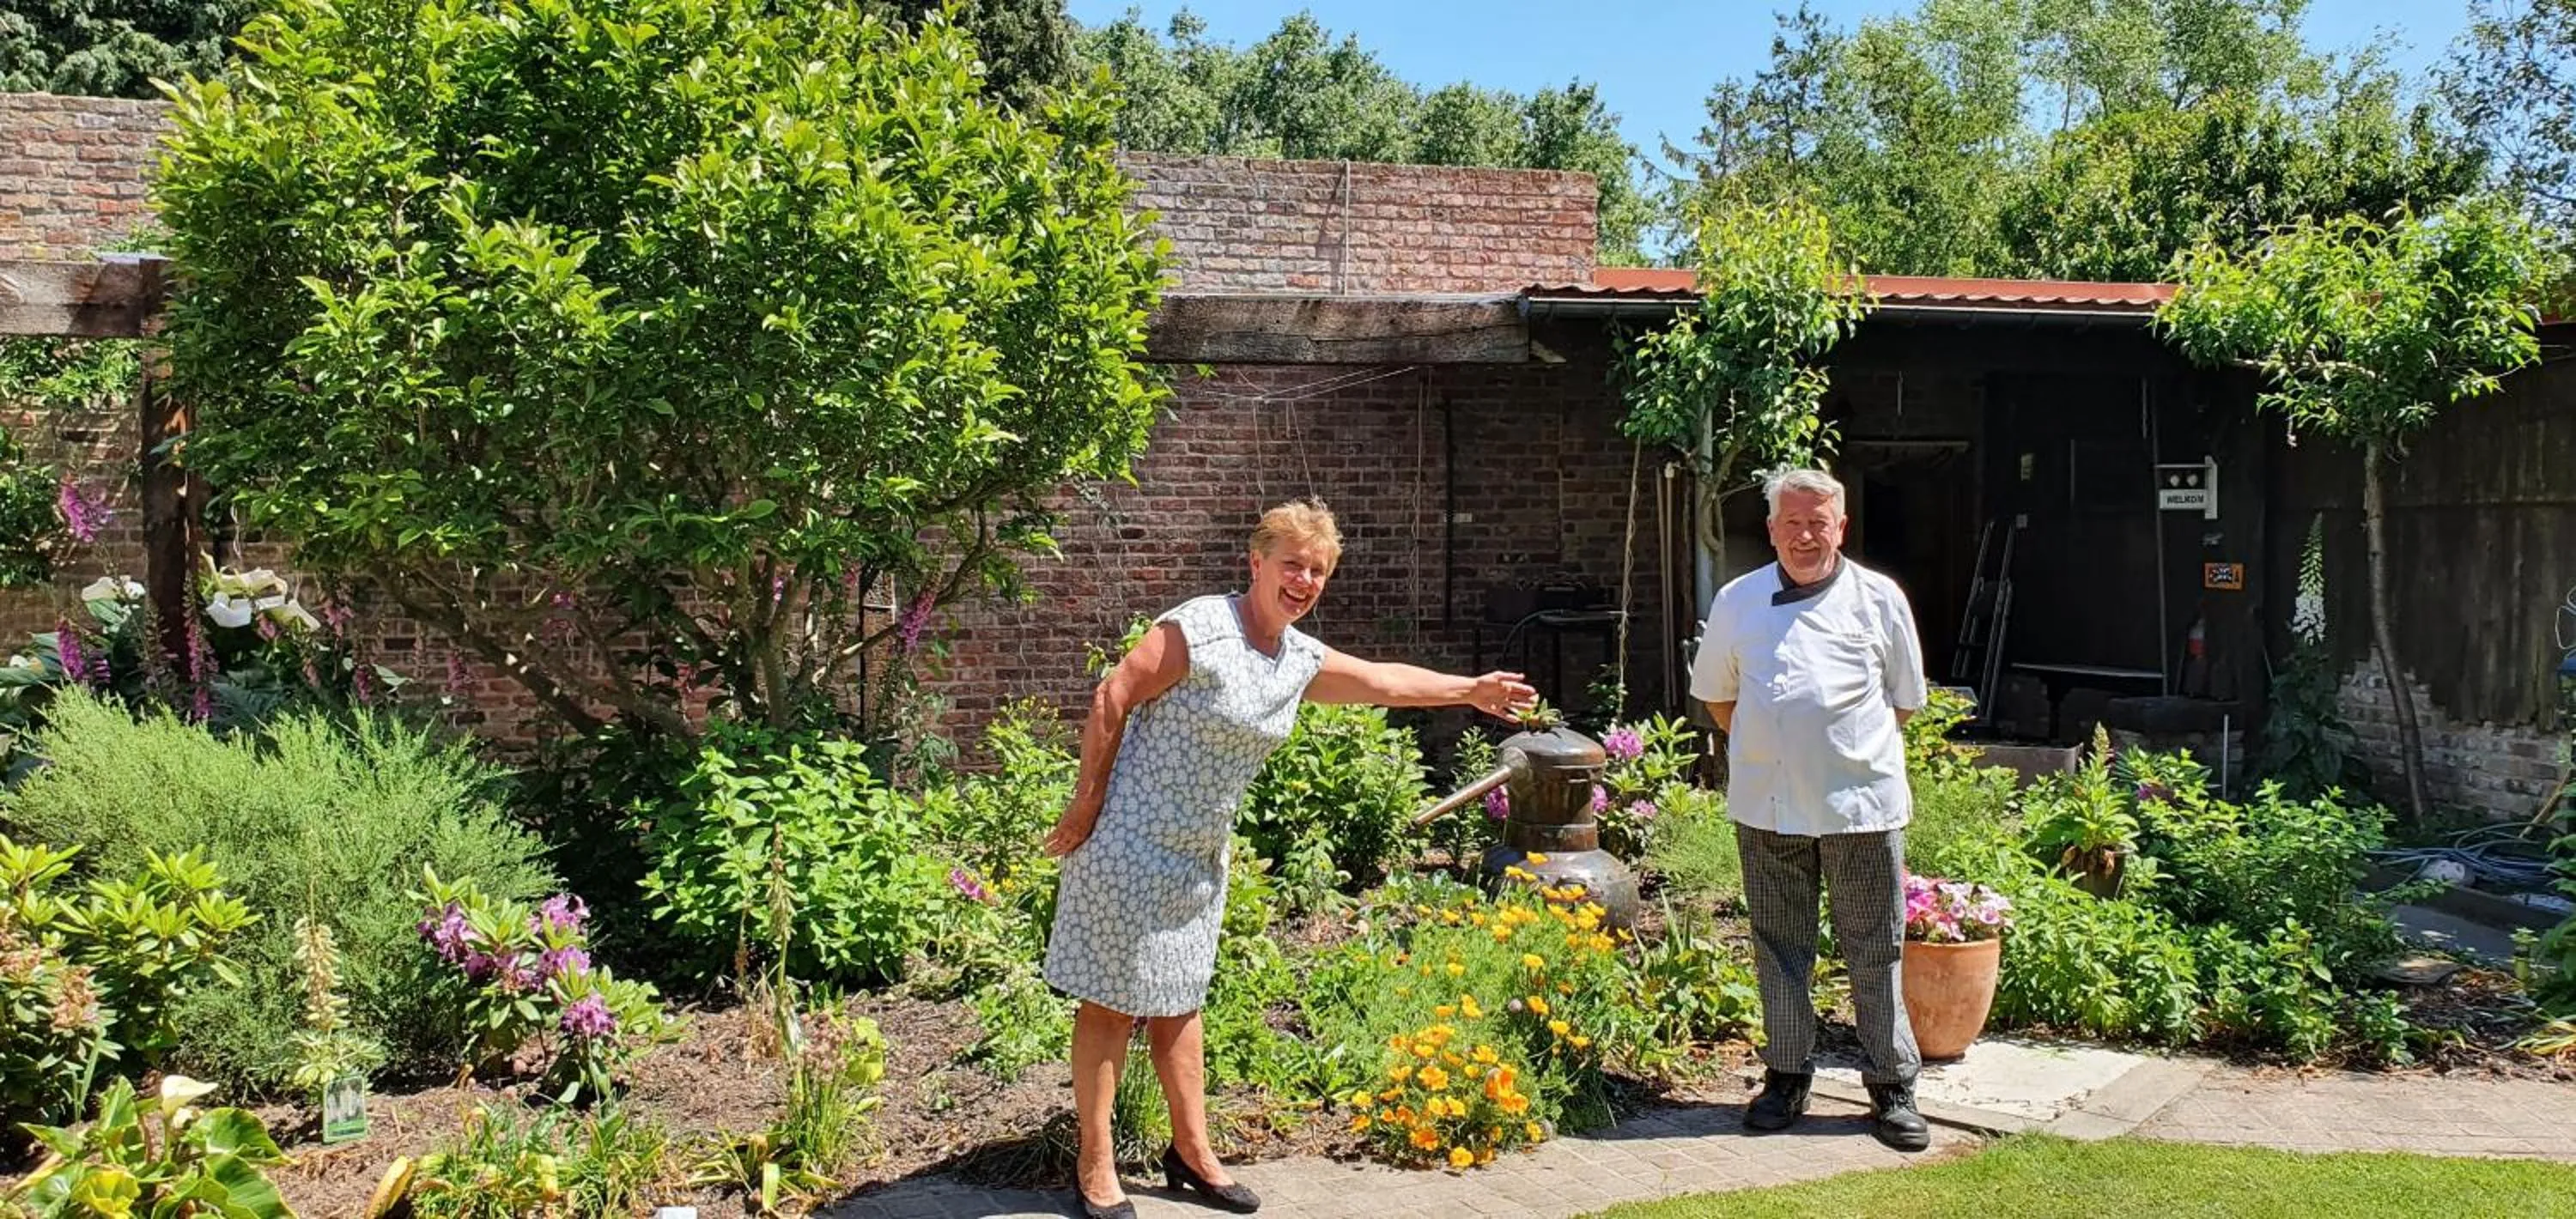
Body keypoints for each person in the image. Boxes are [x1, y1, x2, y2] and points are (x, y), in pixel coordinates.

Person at [1041, 497, 1536, 1217]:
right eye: (1290, 565)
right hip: (1127, 845)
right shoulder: (1200, 629)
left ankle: (1193, 1153)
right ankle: (1096, 1164)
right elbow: (1113, 692)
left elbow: (1381, 680)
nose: (1303, 580)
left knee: (1181, 1005)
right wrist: (1086, 804)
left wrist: (1471, 690)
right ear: (1256, 563)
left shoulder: (1296, 659)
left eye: (1317, 571)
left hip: (1196, 858)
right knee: (1112, 1009)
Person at [1686, 467, 1931, 1151]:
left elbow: (1904, 701)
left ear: (1841, 526)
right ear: (1770, 529)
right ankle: (1788, 1076)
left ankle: (1892, 1088)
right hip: (1767, 806)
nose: (1804, 535)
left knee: (1874, 947)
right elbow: (1718, 696)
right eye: (1790, 523)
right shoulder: (1738, 601)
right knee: (1778, 946)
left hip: (1861, 808)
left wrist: (1833, 753)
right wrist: (1778, 748)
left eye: (1817, 522)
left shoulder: (1879, 599)